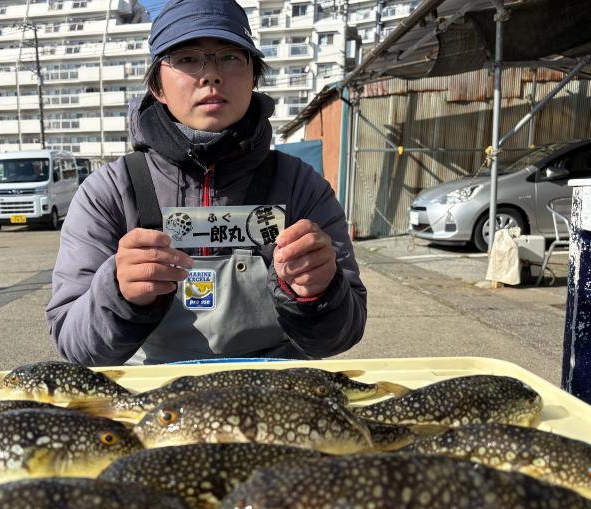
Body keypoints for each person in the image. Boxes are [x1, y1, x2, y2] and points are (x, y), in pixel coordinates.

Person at [46, 0, 367, 366]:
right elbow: (74, 342)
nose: (211, 75)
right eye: (186, 58)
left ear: (254, 77)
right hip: (152, 392)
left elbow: (344, 333)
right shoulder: (110, 191)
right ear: (157, 86)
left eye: (230, 57)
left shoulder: (299, 185)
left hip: (275, 389)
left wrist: (320, 292)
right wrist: (118, 293)